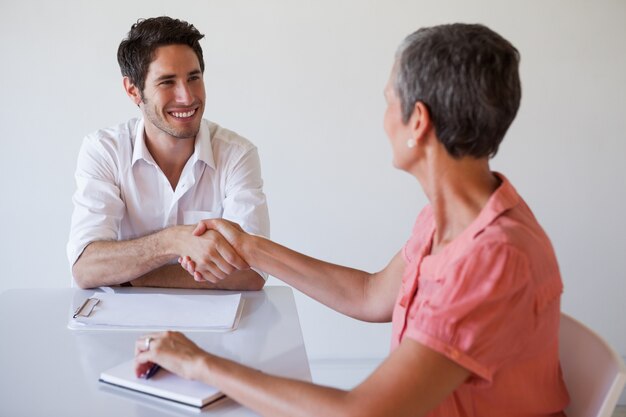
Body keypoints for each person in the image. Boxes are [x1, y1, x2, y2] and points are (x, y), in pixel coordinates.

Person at [134, 23, 570, 416]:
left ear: (417, 121)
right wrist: (251, 248)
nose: (383, 119)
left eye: (388, 101)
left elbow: (360, 413)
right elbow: (368, 295)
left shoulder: (493, 256)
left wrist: (200, 364)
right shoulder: (452, 217)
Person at [67, 17, 269, 290]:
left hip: (213, 327)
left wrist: (134, 276)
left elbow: (251, 272)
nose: (187, 97)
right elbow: (86, 268)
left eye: (193, 78)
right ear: (133, 90)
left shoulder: (237, 154)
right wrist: (173, 240)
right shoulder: (105, 151)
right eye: (167, 82)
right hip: (124, 326)